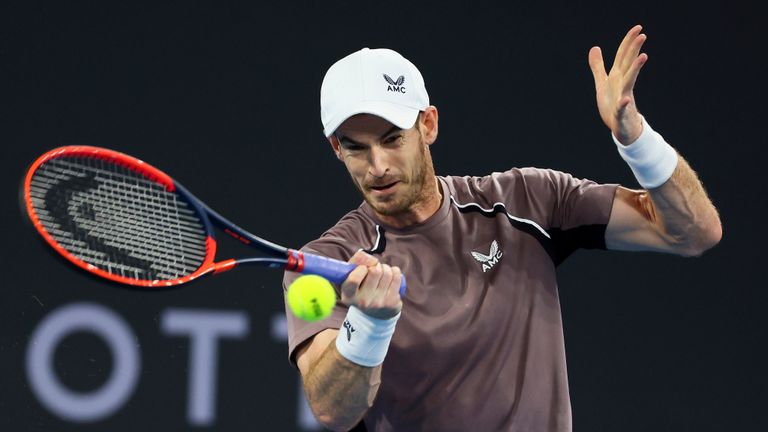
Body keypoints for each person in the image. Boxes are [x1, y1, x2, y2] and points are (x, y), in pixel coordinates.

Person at [282, 25, 721, 432]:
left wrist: (635, 138)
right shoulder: (326, 261)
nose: (377, 166)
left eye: (392, 139)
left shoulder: (528, 201)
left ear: (428, 125)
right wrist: (369, 324)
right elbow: (333, 410)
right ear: (336, 148)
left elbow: (693, 232)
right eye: (356, 148)